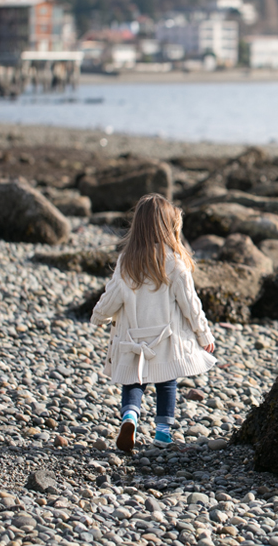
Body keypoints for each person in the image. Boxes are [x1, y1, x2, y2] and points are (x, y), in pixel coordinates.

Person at [91, 193, 216, 452]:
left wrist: (99, 315)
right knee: (167, 383)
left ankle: (130, 418)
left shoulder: (127, 260)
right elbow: (190, 304)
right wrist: (204, 335)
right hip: (165, 340)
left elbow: (112, 295)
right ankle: (162, 434)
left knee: (133, 383)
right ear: (169, 226)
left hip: (132, 338)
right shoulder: (174, 262)